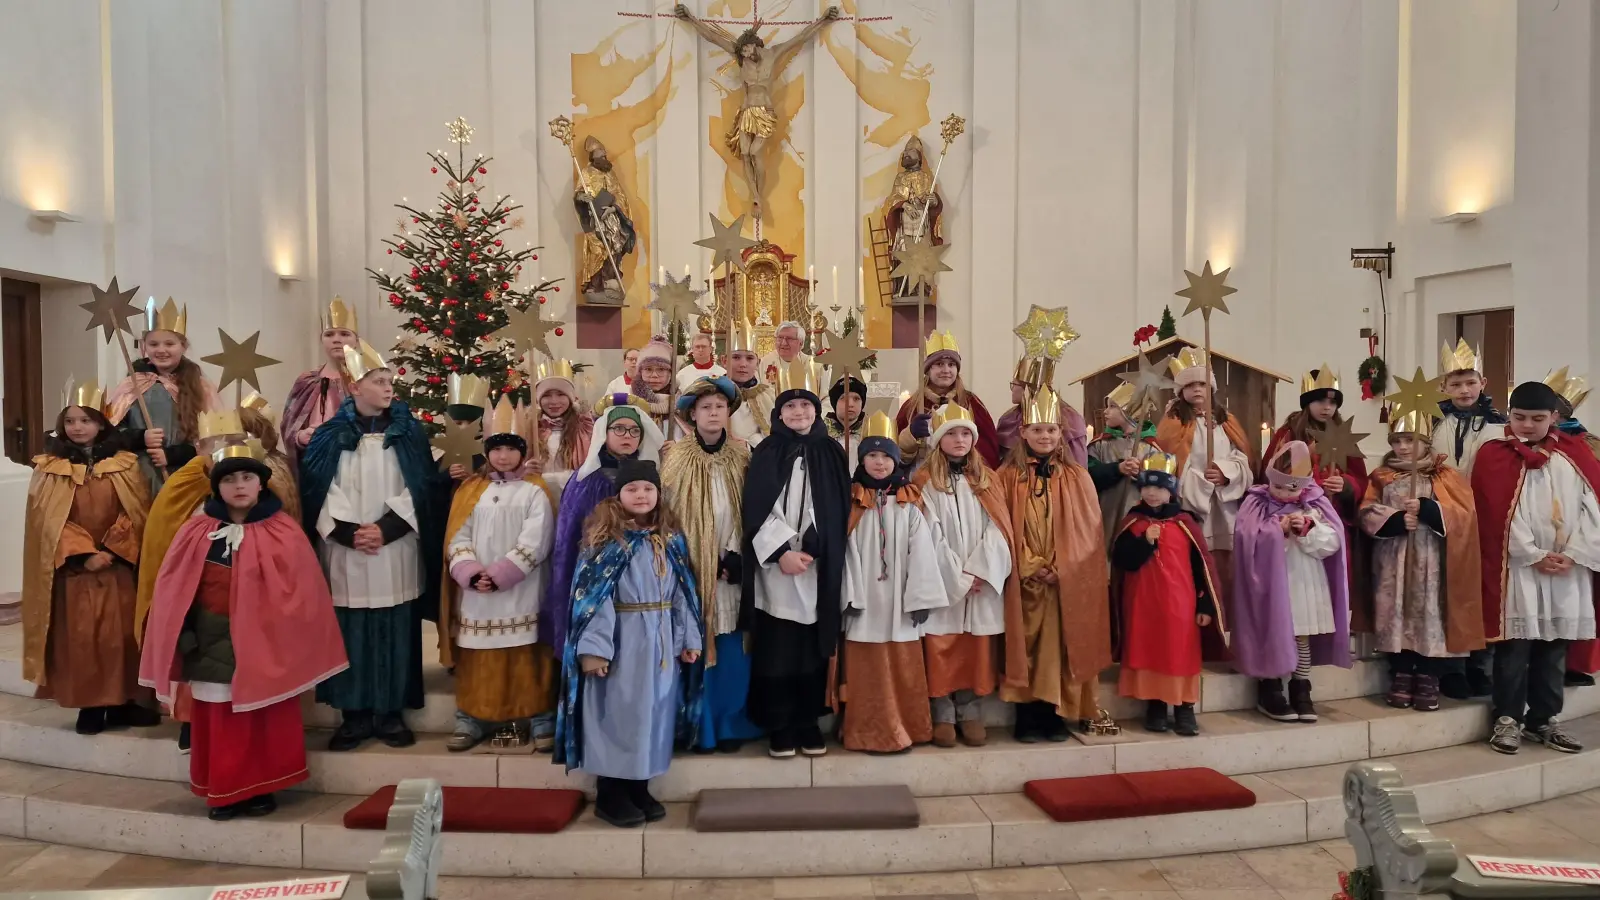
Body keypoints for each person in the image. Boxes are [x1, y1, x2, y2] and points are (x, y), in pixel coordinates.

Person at [138, 443, 347, 820]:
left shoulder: (283, 530)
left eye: (247, 477)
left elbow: (302, 593)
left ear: (261, 483)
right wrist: (185, 637)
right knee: (222, 723)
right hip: (211, 643)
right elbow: (175, 589)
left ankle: (262, 788)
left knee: (265, 719)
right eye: (229, 479)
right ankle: (225, 791)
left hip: (267, 645)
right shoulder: (196, 530)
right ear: (216, 487)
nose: (239, 486)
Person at [133, 404, 300, 752]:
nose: (225, 447)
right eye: (217, 441)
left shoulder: (261, 484)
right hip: (205, 603)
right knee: (204, 676)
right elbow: (168, 539)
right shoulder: (185, 482)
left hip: (254, 608)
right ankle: (191, 723)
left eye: (235, 439)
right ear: (200, 445)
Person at [299, 340, 436, 752]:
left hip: (395, 548)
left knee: (396, 628)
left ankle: (392, 713)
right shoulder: (329, 434)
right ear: (356, 386)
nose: (388, 388)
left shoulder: (409, 432)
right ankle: (354, 715)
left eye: (390, 380)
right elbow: (317, 487)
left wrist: (387, 528)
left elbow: (421, 484)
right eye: (378, 381)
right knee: (350, 631)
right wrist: (348, 532)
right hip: (346, 551)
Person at [556, 460, 702, 828]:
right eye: (632, 489)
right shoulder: (606, 540)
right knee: (618, 715)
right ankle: (611, 792)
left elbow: (683, 594)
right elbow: (593, 600)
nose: (641, 495)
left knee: (653, 715)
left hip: (661, 641)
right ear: (618, 495)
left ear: (658, 494)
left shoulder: (669, 538)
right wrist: (595, 650)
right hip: (622, 641)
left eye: (648, 489)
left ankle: (639, 786)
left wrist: (688, 638)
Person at [22, 381, 154, 735]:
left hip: (118, 566)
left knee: (122, 637)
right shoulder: (50, 468)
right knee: (83, 639)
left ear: (101, 423)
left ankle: (124, 702)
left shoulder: (124, 465)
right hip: (75, 571)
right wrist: (83, 554)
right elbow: (48, 520)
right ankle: (92, 705)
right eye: (70, 421)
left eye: (85, 420)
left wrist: (112, 549)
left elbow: (136, 511)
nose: (77, 427)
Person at [1475, 381, 1600, 755]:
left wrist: (1575, 553)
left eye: (1537, 418)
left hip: (1567, 568)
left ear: (1554, 417)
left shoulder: (1575, 454)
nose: (1527, 425)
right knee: (1514, 649)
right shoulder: (1493, 453)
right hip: (1519, 568)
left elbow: (1593, 507)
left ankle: (1543, 720)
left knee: (1554, 648)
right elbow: (1494, 512)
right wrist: (1531, 553)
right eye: (1519, 417)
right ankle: (1507, 719)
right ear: (1509, 416)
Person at [741, 359, 851, 757]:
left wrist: (814, 546)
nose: (799, 412)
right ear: (779, 412)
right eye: (790, 405)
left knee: (811, 649)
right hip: (777, 569)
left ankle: (808, 721)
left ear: (816, 411)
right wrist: (782, 551)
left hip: (815, 567)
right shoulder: (767, 451)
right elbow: (756, 507)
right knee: (777, 650)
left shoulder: (832, 452)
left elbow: (836, 505)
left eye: (805, 405)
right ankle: (780, 724)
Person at [994, 386, 1112, 741]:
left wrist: (1063, 566)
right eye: (1037, 430)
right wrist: (1030, 564)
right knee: (1025, 646)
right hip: (1024, 579)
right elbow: (1000, 526)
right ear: (1023, 432)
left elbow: (1089, 530)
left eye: (1051, 430)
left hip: (1063, 581)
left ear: (1061, 433)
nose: (1044, 436)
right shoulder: (1006, 476)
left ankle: (1054, 714)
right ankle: (1026, 717)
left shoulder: (1077, 477)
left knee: (1060, 647)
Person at [442, 398, 558, 753]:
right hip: (476, 593)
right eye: (497, 449)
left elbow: (538, 539)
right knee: (478, 655)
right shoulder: (470, 490)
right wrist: (470, 572)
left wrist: (501, 574)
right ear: (487, 452)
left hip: (523, 590)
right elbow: (457, 535)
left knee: (527, 653)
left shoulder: (535, 489)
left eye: (511, 449)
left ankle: (539, 716)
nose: (504, 456)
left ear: (522, 452)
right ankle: (471, 717)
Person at [661, 376, 761, 753]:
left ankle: (729, 724)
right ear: (692, 414)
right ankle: (699, 726)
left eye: (720, 406)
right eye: (706, 407)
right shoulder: (676, 457)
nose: (714, 412)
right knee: (696, 647)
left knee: (733, 650)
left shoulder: (741, 455)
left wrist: (735, 556)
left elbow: (752, 506)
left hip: (733, 566)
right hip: (692, 565)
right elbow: (668, 512)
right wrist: (694, 556)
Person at [1358, 411, 1483, 712]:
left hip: (1433, 558)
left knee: (1430, 613)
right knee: (1395, 610)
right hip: (1394, 557)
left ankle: (1429, 674)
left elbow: (1465, 515)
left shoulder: (1445, 475)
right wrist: (1396, 519)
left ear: (1426, 442)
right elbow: (1366, 509)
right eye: (1397, 441)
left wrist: (1430, 510)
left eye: (1410, 440)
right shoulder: (1382, 476)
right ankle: (1401, 672)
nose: (1402, 447)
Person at [836, 413, 945, 753]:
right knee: (866, 672)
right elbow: (845, 552)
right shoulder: (852, 501)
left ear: (896, 461)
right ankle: (865, 732)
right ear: (862, 460)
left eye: (886, 456)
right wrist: (849, 596)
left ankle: (906, 728)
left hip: (900, 604)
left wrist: (921, 598)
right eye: (872, 455)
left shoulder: (907, 503)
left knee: (901, 667)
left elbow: (922, 551)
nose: (879, 462)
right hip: (864, 603)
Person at [912, 403, 1013, 747]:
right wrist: (957, 575)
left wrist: (982, 570)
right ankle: (942, 711)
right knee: (941, 642)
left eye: (965, 434)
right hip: (944, 577)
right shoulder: (925, 480)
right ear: (938, 440)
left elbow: (999, 526)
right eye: (951, 433)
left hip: (980, 578)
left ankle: (970, 710)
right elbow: (927, 532)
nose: (959, 440)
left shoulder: (988, 479)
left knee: (975, 645)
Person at [1232, 441, 1351, 723]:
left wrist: (1309, 531)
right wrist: (1278, 530)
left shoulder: (1315, 505)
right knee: (1272, 634)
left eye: (1292, 489)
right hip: (1269, 584)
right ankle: (1270, 689)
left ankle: (1301, 690)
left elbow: (1332, 543)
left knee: (1301, 637)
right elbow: (1246, 539)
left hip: (1304, 582)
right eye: (1279, 487)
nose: (1284, 494)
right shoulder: (1256, 502)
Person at [1110, 453, 1226, 736]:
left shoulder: (1186, 523)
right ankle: (1156, 705)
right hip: (1143, 604)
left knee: (1179, 651)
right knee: (1149, 650)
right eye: (1147, 487)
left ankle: (1184, 708)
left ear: (1171, 490)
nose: (1152, 493)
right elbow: (1122, 561)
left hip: (1180, 604)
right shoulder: (1132, 522)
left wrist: (1205, 605)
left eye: (1160, 487)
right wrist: (1145, 542)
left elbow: (1202, 569)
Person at [544, 401, 665, 658]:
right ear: (604, 433)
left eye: (634, 430)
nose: (627, 436)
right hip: (596, 582)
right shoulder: (585, 481)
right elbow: (568, 540)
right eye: (619, 428)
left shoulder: (650, 478)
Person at [1262, 367, 1371, 637]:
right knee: (1300, 581)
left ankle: (1333, 630)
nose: (1327, 407)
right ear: (1307, 402)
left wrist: (1346, 484)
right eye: (1320, 400)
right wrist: (1305, 462)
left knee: (1335, 573)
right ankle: (1296, 631)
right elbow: (1271, 473)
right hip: (1295, 515)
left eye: (1332, 403)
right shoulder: (1288, 434)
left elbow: (1360, 478)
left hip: (1331, 519)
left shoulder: (1343, 436)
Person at [1430, 340, 1508, 699]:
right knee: (1448, 589)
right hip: (1444, 515)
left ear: (1483, 383)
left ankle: (1479, 664)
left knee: (1483, 590)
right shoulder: (1432, 423)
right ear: (1444, 385)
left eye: (1470, 382)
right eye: (1456, 383)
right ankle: (1451, 667)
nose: (1464, 390)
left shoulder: (1500, 426)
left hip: (1486, 518)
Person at [1155, 347, 1253, 611]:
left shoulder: (1226, 421)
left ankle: (1228, 618)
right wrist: (1200, 483)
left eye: (1202, 383)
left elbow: (1242, 458)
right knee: (1196, 564)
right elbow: (1169, 464)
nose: (1197, 389)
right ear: (1180, 391)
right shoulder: (1173, 422)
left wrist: (1226, 472)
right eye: (1190, 385)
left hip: (1225, 507)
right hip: (1193, 506)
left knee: (1227, 567)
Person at [107, 299, 218, 494]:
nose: (161, 350)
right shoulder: (132, 384)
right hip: (137, 474)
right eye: (153, 344)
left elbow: (205, 440)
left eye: (169, 344)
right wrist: (141, 437)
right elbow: (112, 432)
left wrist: (172, 455)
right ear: (144, 347)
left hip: (184, 473)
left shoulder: (200, 387)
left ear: (183, 346)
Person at [1544, 368, 1600, 685]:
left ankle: (1575, 663)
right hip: (1537, 539)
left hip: (1577, 537)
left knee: (1576, 600)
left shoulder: (1585, 444)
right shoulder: (1526, 441)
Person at [896, 332, 1002, 468]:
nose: (946, 370)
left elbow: (988, 448)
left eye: (951, 364)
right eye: (939, 364)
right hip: (924, 473)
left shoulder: (971, 402)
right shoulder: (913, 406)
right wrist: (910, 435)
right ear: (928, 370)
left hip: (964, 474)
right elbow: (895, 453)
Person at [282, 297, 359, 470]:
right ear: (321, 340)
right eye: (329, 334)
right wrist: (300, 436)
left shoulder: (366, 381)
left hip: (354, 464)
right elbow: (289, 424)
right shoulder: (306, 381)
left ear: (356, 340)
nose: (336, 339)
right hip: (314, 462)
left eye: (344, 334)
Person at [1086, 383, 1160, 546]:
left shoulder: (1151, 448)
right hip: (1105, 512)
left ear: (1129, 411)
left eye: (1113, 406)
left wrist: (1142, 474)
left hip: (1137, 515)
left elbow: (1162, 485)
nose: (1105, 411)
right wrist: (1117, 469)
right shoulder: (1100, 444)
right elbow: (1088, 476)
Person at [996, 358, 1089, 467]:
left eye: (1014, 384)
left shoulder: (1070, 419)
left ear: (1027, 388)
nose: (1012, 389)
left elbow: (1077, 464)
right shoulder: (1009, 418)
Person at [525, 359, 592, 498]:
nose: (554, 401)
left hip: (573, 496)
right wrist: (525, 469)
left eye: (561, 394)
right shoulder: (530, 429)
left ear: (571, 398)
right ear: (538, 399)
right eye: (546, 395)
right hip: (539, 497)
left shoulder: (583, 428)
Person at [630, 336, 687, 439]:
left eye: (661, 369)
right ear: (640, 372)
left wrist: (678, 445)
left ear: (671, 373)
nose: (654, 375)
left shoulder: (684, 406)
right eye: (648, 369)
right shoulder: (630, 402)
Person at [726, 322, 772, 446]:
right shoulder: (713, 392)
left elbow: (775, 436)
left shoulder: (768, 395)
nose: (743, 364)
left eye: (750, 358)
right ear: (724, 361)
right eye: (736, 357)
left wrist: (750, 444)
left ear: (758, 363)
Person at [827, 374, 867, 473]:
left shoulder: (870, 431)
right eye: (844, 398)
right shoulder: (821, 432)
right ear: (834, 403)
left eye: (856, 399)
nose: (850, 404)